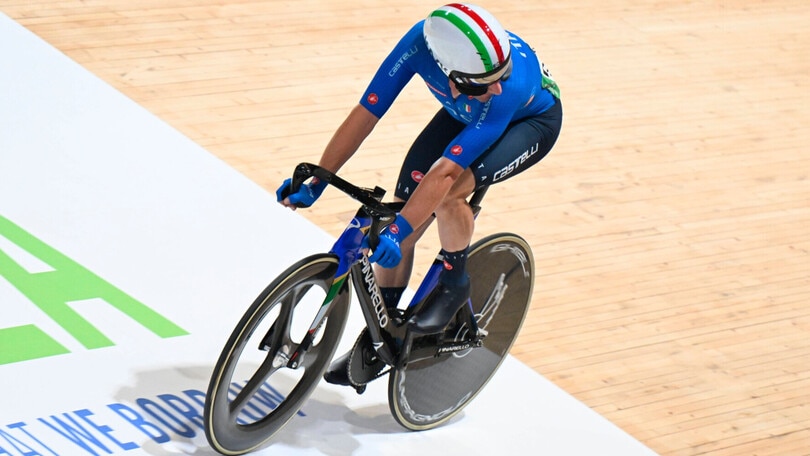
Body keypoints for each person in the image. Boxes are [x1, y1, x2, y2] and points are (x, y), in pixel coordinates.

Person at [277, 3, 562, 386]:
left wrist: (399, 230)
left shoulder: (501, 90)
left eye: (499, 75)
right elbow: (366, 112)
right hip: (467, 111)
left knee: (446, 197)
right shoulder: (420, 44)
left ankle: (455, 279)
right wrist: (320, 178)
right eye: (485, 80)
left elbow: (445, 173)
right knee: (403, 211)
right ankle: (386, 333)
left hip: (526, 123)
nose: (496, 83)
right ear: (448, 72)